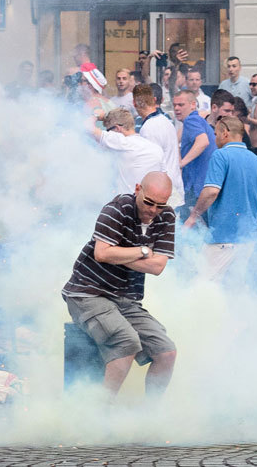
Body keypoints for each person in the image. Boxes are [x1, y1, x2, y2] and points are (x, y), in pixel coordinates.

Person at [60, 171, 177, 399]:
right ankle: (102, 412)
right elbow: (102, 253)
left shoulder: (167, 217)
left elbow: (158, 267)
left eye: (160, 205)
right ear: (137, 190)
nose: (153, 210)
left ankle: (152, 416)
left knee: (167, 351)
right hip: (87, 293)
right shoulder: (118, 208)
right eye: (149, 202)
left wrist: (119, 254)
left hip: (126, 300)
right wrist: (142, 252)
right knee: (126, 340)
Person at [184, 116, 257, 281]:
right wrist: (247, 209)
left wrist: (193, 216)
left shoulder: (220, 155)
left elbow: (211, 191)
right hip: (248, 238)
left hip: (223, 237)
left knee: (203, 283)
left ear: (225, 133)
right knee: (236, 288)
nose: (215, 138)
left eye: (216, 134)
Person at [89, 108, 164, 196]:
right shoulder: (156, 148)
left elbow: (87, 126)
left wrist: (96, 115)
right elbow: (164, 178)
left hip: (127, 205)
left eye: (108, 131)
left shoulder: (122, 142)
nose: (108, 133)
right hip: (150, 203)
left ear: (117, 128)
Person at [135, 84, 184, 207]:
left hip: (162, 195)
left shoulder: (148, 128)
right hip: (174, 189)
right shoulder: (166, 121)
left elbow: (152, 164)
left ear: (135, 103)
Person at [174, 90, 217, 216]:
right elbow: (176, 138)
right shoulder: (195, 119)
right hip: (204, 186)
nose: (176, 108)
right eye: (174, 105)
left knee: (189, 225)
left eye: (181, 105)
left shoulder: (191, 121)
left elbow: (203, 142)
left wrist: (181, 163)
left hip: (197, 188)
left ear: (193, 104)